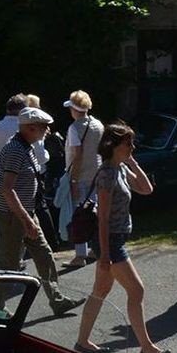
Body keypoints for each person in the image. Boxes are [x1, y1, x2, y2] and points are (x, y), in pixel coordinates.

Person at [73, 123, 166, 353]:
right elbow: (102, 218)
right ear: (112, 145)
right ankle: (146, 347)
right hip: (110, 242)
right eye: (128, 143)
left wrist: (132, 161)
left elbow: (146, 189)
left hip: (115, 239)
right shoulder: (106, 174)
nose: (132, 147)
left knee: (100, 291)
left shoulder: (120, 169)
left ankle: (82, 341)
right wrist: (104, 255)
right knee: (137, 290)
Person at [0, 107, 85, 316]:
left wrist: (29, 217)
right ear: (30, 128)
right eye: (44, 127)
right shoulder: (15, 150)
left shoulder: (25, 147)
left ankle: (57, 300)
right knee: (8, 263)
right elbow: (7, 189)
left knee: (44, 255)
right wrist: (26, 220)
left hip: (26, 213)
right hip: (13, 216)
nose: (48, 131)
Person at [62, 91, 104, 268]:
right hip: (98, 173)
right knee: (96, 213)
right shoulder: (98, 124)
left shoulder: (74, 128)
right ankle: (96, 248)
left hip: (82, 175)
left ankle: (80, 256)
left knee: (80, 215)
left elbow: (77, 155)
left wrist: (73, 180)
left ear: (74, 109)